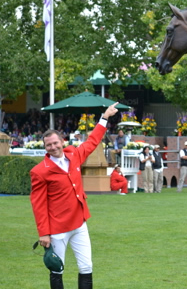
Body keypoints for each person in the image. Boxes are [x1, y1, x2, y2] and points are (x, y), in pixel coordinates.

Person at [30, 103, 120, 289]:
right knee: (57, 269)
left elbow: (92, 141)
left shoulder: (74, 154)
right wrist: (44, 234)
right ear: (45, 147)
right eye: (49, 145)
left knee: (86, 266)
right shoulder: (40, 172)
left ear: (62, 141)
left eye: (55, 143)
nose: (53, 147)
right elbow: (38, 204)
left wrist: (104, 117)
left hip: (79, 223)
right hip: (57, 228)